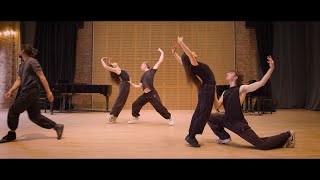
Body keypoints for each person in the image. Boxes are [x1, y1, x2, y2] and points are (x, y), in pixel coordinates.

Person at [208, 55, 295, 150]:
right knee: (208, 116)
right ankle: (224, 137)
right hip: (226, 119)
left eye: (230, 73)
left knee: (262, 145)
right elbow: (217, 106)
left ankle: (288, 135)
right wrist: (214, 92)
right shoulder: (225, 92)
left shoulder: (242, 89)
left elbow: (261, 83)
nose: (227, 73)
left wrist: (271, 68)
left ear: (235, 77)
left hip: (237, 123)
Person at [0, 44, 64, 143]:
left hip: (30, 90)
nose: (18, 52)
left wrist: (48, 92)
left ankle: (11, 134)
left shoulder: (32, 61)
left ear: (23, 51)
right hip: (29, 92)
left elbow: (41, 76)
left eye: (19, 50)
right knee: (35, 116)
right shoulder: (22, 65)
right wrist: (11, 90)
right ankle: (57, 126)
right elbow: (19, 79)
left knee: (13, 110)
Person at [172, 37, 216, 147]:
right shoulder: (194, 64)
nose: (193, 52)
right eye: (191, 52)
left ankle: (190, 135)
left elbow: (182, 61)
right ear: (190, 57)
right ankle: (191, 137)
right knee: (203, 114)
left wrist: (174, 53)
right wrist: (181, 43)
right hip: (207, 90)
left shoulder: (190, 65)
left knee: (199, 112)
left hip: (205, 90)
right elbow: (188, 55)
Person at [128, 48, 174, 126]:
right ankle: (135, 117)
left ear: (145, 65)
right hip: (145, 95)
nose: (140, 66)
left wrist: (161, 52)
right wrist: (130, 83)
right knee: (135, 104)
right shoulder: (142, 76)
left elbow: (160, 61)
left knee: (159, 107)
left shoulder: (151, 71)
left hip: (152, 94)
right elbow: (139, 86)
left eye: (141, 65)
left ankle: (169, 118)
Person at [101, 57, 130, 123]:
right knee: (119, 101)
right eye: (113, 64)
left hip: (127, 85)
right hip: (124, 86)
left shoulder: (119, 69)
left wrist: (109, 62)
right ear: (113, 66)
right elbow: (106, 67)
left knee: (122, 102)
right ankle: (111, 115)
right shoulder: (116, 70)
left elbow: (110, 64)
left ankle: (115, 116)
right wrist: (102, 60)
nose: (114, 63)